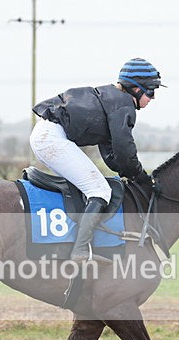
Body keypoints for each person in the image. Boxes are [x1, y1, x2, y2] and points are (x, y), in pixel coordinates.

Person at [30, 58, 164, 261]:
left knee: (89, 186)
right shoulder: (123, 105)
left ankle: (68, 241)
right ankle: (80, 249)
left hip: (46, 135)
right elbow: (125, 149)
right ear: (136, 89)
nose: (153, 98)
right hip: (52, 138)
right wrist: (142, 178)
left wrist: (129, 174)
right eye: (151, 91)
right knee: (100, 190)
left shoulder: (112, 101)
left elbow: (112, 154)